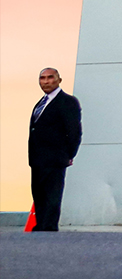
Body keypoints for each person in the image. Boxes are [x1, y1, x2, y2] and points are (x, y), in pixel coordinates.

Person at [27, 67, 82, 232]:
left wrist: (69, 154)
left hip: (55, 157)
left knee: (52, 195)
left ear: (59, 80)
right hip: (37, 158)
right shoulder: (41, 103)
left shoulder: (67, 101)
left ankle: (49, 227)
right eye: (42, 78)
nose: (46, 81)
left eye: (50, 77)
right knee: (39, 194)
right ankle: (41, 225)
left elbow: (74, 131)